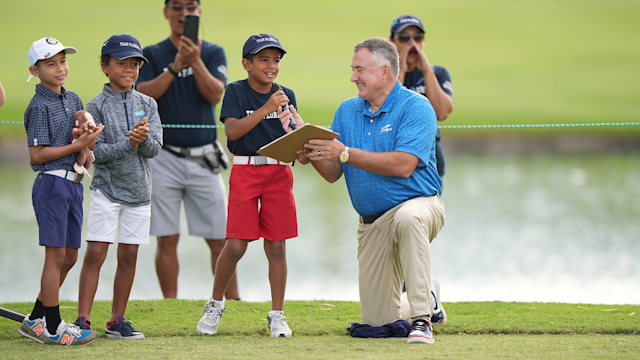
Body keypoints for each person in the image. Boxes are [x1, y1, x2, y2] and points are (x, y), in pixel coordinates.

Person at [286, 37, 446, 344]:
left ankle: (422, 320)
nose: (353, 77)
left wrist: (344, 152)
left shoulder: (417, 107)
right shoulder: (347, 111)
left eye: (360, 70)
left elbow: (404, 165)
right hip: (371, 223)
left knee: (408, 217)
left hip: (420, 206)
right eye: (352, 69)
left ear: (385, 72)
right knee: (378, 321)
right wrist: (305, 145)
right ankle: (427, 296)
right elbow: (334, 172)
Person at [196, 34, 298, 338]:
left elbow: (293, 135)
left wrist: (297, 134)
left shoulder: (286, 93)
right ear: (247, 64)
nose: (271, 66)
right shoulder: (236, 91)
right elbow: (232, 131)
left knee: (277, 246)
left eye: (276, 60)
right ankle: (215, 304)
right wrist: (267, 107)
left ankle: (277, 315)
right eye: (264, 59)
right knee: (237, 244)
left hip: (279, 174)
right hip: (246, 171)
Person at [136, 0, 239, 300]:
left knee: (221, 239)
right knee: (167, 239)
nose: (184, 13)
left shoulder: (212, 52)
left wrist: (193, 61)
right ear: (166, 12)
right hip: (163, 157)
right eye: (177, 6)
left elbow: (215, 94)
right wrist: (174, 67)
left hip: (204, 158)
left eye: (191, 6)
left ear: (199, 12)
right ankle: (171, 304)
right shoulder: (153, 54)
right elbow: (142, 96)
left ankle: (231, 303)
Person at [73, 34, 162, 340]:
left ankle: (116, 320)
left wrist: (143, 141)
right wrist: (130, 143)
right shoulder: (94, 106)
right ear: (105, 66)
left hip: (139, 193)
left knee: (129, 256)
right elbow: (97, 155)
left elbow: (155, 150)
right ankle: (83, 320)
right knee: (96, 252)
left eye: (134, 64)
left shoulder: (148, 103)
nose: (129, 69)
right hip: (107, 191)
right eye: (121, 63)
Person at [21, 37, 101, 345]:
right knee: (54, 256)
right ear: (35, 69)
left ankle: (34, 319)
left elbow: (82, 144)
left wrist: (87, 137)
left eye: (63, 61)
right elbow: (37, 156)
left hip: (74, 183)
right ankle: (52, 327)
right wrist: (77, 144)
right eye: (50, 63)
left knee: (69, 256)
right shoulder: (38, 106)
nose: (60, 68)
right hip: (51, 183)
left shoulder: (73, 99)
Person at [390, 14, 453, 181]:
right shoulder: (385, 75)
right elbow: (389, 110)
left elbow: (442, 113)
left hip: (431, 164)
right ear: (392, 42)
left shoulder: (437, 73)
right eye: (404, 38)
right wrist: (400, 70)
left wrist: (426, 71)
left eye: (417, 37)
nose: (412, 44)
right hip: (392, 160)